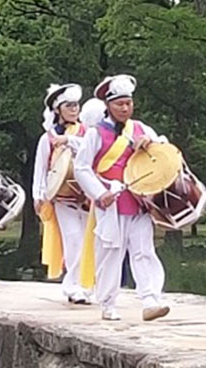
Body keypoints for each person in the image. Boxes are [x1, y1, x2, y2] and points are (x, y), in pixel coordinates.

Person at [73, 74, 171, 322]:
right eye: (119, 104)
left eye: (128, 103)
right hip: (111, 202)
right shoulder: (96, 133)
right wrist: (99, 193)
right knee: (110, 255)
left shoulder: (141, 129)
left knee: (144, 250)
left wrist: (150, 143)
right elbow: (81, 167)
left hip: (140, 201)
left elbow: (163, 148)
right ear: (108, 105)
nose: (125, 108)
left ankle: (151, 300)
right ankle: (107, 303)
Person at [33, 83, 91, 304]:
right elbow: (41, 168)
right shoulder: (47, 137)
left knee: (87, 240)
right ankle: (72, 285)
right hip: (63, 197)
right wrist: (38, 195)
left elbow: (92, 149)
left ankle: (86, 284)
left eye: (76, 105)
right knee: (74, 239)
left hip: (87, 196)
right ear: (58, 109)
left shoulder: (87, 132)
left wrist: (70, 140)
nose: (74, 109)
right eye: (69, 106)